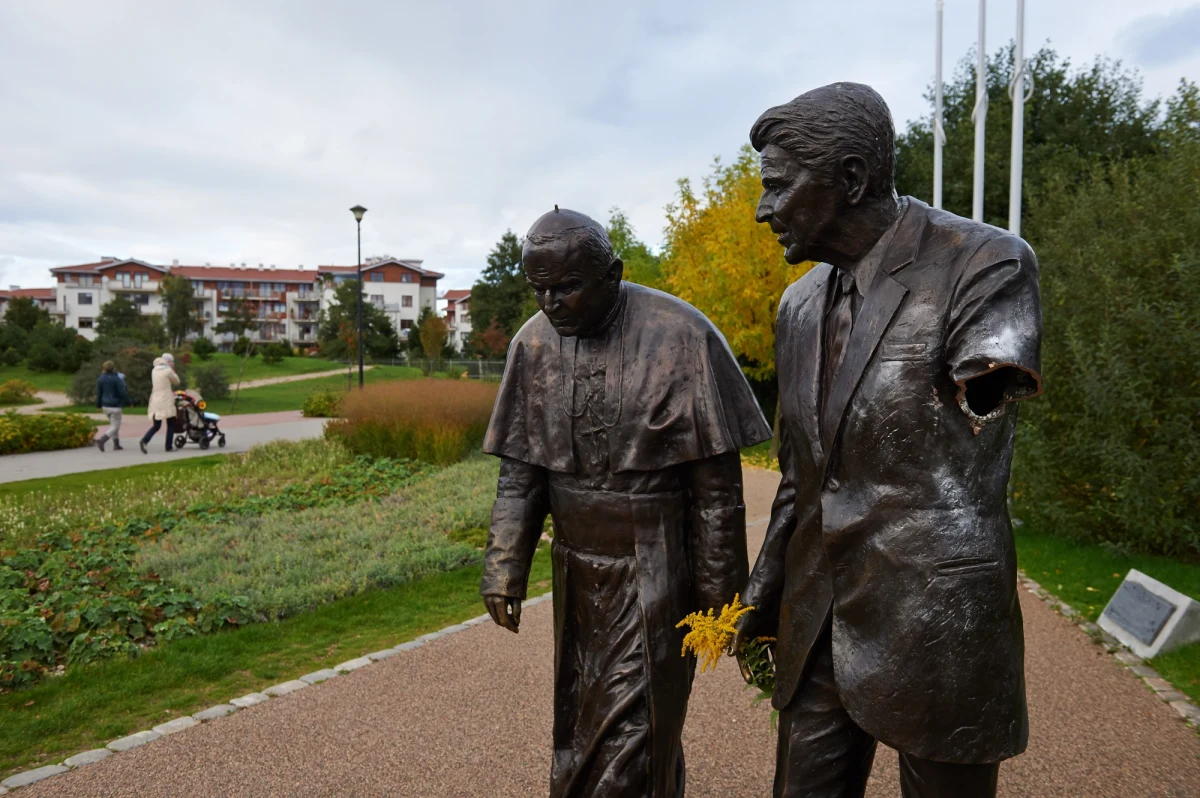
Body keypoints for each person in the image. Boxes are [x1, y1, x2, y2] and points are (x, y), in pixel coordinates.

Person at [734, 83, 1042, 798]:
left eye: (779, 187)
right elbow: (800, 473)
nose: (763, 208)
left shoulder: (984, 264)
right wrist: (764, 587)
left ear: (851, 178)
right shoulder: (800, 304)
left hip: (937, 621)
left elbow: (989, 391)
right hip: (818, 621)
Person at [481, 207, 771, 798]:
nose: (550, 303)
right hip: (577, 570)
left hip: (654, 565)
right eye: (538, 289)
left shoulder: (681, 334)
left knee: (634, 733)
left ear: (612, 273)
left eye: (566, 287)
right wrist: (504, 567)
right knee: (583, 723)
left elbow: (717, 495)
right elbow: (521, 474)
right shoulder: (531, 346)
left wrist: (721, 603)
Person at [140, 353, 181, 454]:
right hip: (166, 399)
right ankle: (168, 446)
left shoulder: (154, 370)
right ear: (169, 362)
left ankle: (144, 440)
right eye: (172, 362)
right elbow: (177, 382)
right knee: (171, 423)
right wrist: (172, 370)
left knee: (156, 425)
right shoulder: (168, 371)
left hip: (155, 399)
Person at [95, 360, 132, 451]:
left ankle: (116, 444)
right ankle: (102, 440)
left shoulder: (100, 379)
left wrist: (98, 404)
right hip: (115, 405)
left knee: (113, 425)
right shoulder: (116, 379)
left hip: (105, 405)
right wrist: (129, 401)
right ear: (113, 368)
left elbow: (99, 393)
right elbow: (122, 392)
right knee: (115, 426)